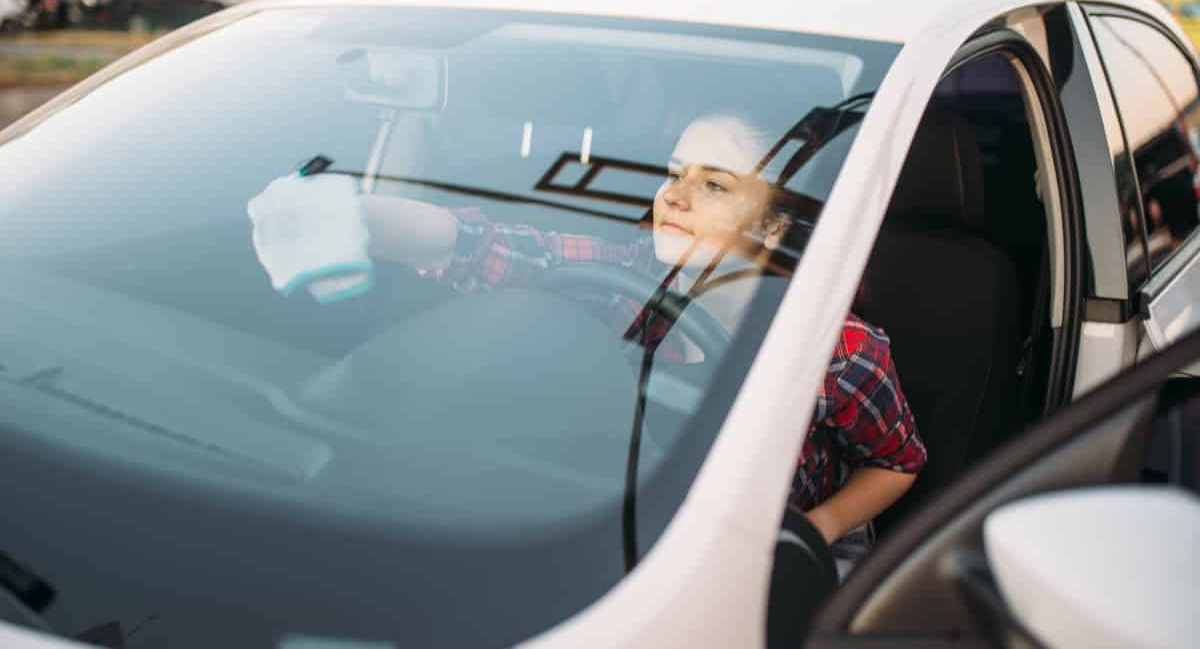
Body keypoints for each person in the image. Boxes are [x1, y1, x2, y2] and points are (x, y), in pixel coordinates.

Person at [248, 113, 926, 568]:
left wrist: (816, 530)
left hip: (780, 541)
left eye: (714, 185)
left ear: (773, 228)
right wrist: (357, 215)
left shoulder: (841, 349)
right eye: (674, 173)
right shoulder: (627, 276)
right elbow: (492, 245)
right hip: (633, 520)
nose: (675, 196)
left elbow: (897, 462)